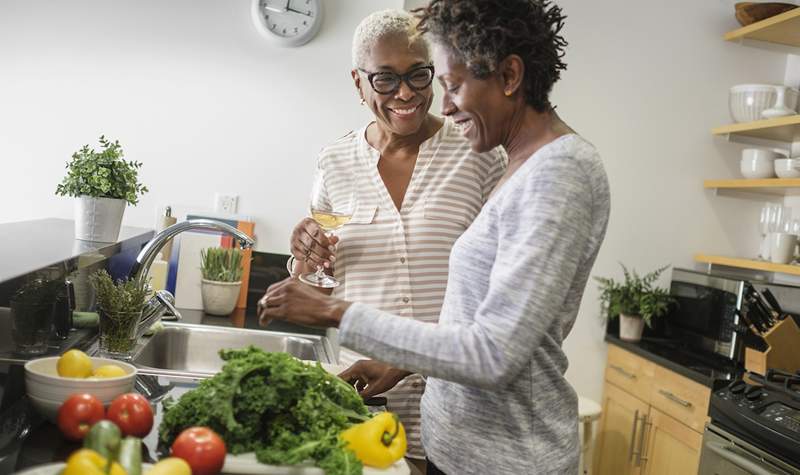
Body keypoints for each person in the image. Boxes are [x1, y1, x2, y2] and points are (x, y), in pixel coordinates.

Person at [260, 1, 610, 473]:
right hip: (461, 447)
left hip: (508, 459)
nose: (441, 105)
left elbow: (494, 354)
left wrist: (335, 311)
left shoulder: (559, 174)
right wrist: (397, 365)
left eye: (450, 84)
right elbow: (477, 316)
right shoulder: (524, 166)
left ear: (509, 76)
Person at [285, 9, 506, 473]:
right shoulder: (335, 161)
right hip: (362, 404)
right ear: (358, 82)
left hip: (456, 410)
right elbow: (318, 280)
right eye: (384, 79)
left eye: (418, 75)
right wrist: (305, 254)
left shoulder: (479, 154)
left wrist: (410, 360)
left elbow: (498, 287)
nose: (404, 93)